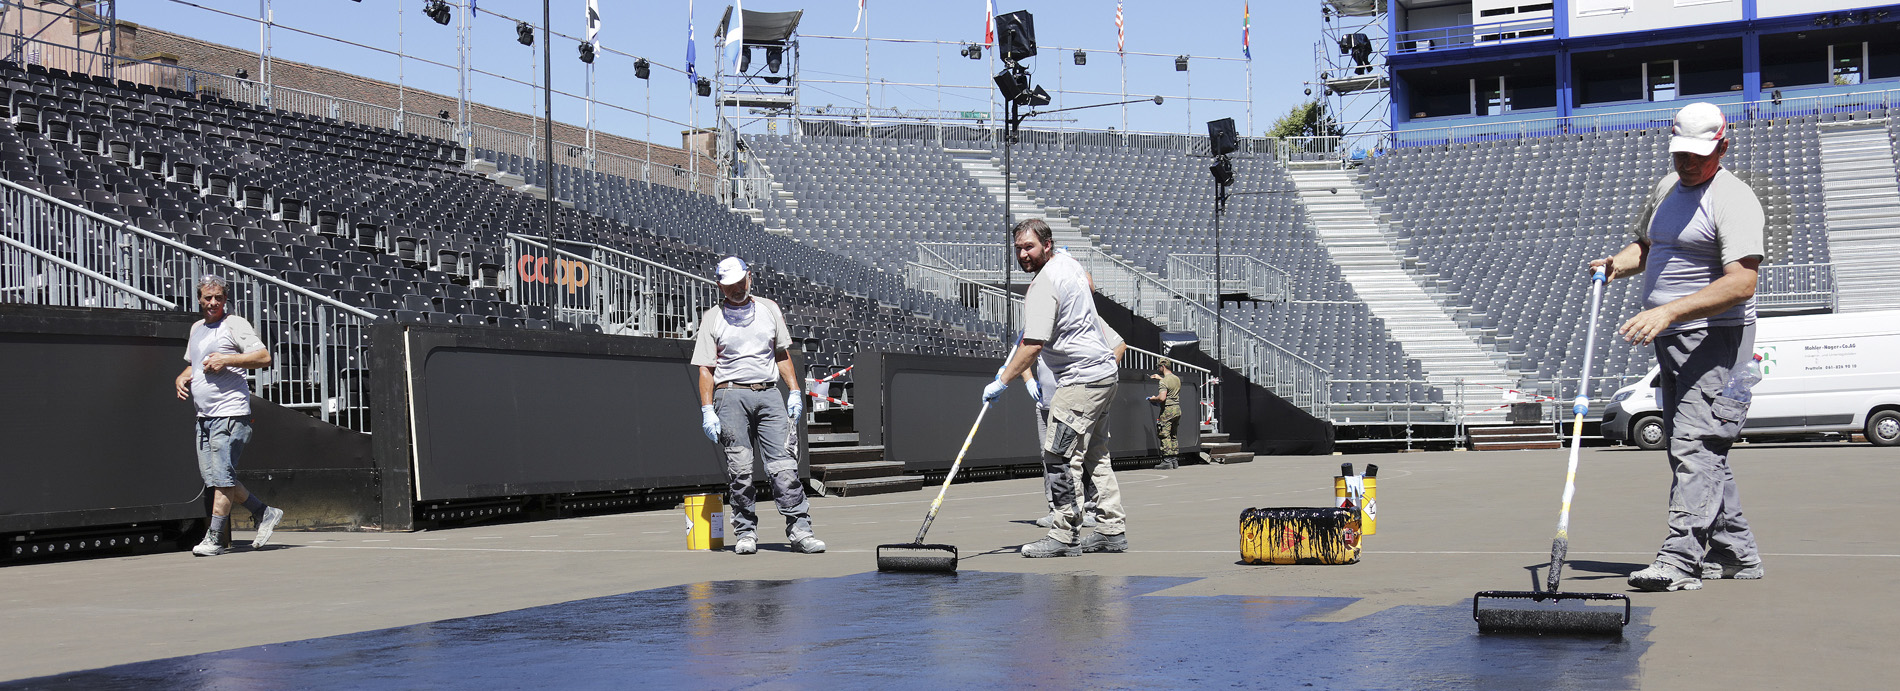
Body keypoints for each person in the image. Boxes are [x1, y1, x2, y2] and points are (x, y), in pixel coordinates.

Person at [1592, 102, 1765, 592]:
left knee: (1695, 443)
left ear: (1722, 147)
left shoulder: (1734, 198)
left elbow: (1742, 283)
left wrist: (1669, 310)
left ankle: (1680, 558)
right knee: (1698, 444)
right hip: (1672, 338)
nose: (1687, 164)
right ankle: (1735, 553)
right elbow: (1646, 247)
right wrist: (1614, 264)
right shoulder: (1668, 188)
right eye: (1680, 154)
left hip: (1717, 336)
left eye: (1697, 155)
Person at [985, 219, 1128, 557]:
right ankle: (1111, 529)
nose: (1023, 254)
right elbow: (1088, 287)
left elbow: (1032, 345)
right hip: (1104, 375)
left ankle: (1064, 534)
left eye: (1029, 247)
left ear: (1046, 245)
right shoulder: (1069, 264)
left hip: (1079, 380)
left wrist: (1002, 381)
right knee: (1096, 455)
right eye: (1018, 248)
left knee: (1059, 458)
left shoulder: (1043, 284)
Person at [693, 256, 825, 555]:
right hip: (729, 395)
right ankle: (745, 532)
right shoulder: (712, 317)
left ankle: (800, 530)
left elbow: (781, 354)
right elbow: (705, 369)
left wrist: (793, 391)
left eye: (740, 282)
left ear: (749, 278)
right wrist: (707, 410)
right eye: (729, 286)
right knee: (740, 469)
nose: (736, 289)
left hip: (769, 394)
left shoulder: (768, 309)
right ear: (719, 286)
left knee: (784, 466)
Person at [174, 275, 283, 557]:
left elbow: (263, 357)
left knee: (222, 479)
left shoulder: (234, 324)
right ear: (199, 299)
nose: (213, 303)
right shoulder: (197, 328)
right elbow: (195, 365)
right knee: (217, 477)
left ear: (225, 300)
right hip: (204, 416)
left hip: (230, 413)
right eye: (208, 298)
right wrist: (182, 377)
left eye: (218, 298)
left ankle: (214, 539)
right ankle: (264, 512)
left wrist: (227, 359)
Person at [1021, 320, 1127, 530]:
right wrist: (1029, 380)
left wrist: (1102, 376)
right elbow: (1023, 351)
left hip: (1075, 398)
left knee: (1070, 457)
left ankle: (1070, 522)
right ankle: (1105, 525)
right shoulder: (1042, 318)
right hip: (1048, 402)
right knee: (1058, 457)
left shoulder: (1086, 314)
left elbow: (1119, 345)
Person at [1149, 358, 1182, 466]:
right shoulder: (1176, 378)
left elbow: (1162, 398)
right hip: (1176, 409)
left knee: (1164, 434)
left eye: (1159, 367)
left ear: (1162, 367)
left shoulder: (1164, 381)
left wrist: (1153, 399)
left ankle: (1167, 460)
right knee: (1173, 434)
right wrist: (1160, 379)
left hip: (1167, 410)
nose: (1158, 369)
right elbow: (1170, 385)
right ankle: (1174, 459)